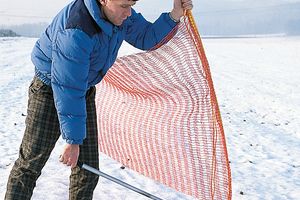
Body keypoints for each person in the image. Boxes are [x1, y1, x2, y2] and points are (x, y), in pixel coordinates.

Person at [5, 0, 193, 199]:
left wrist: (174, 14)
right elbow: (68, 87)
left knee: (88, 171)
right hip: (49, 89)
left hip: (81, 88)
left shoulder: (117, 13)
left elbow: (146, 37)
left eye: (131, 5)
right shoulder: (76, 30)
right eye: (124, 5)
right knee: (30, 165)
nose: (129, 13)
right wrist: (73, 141)